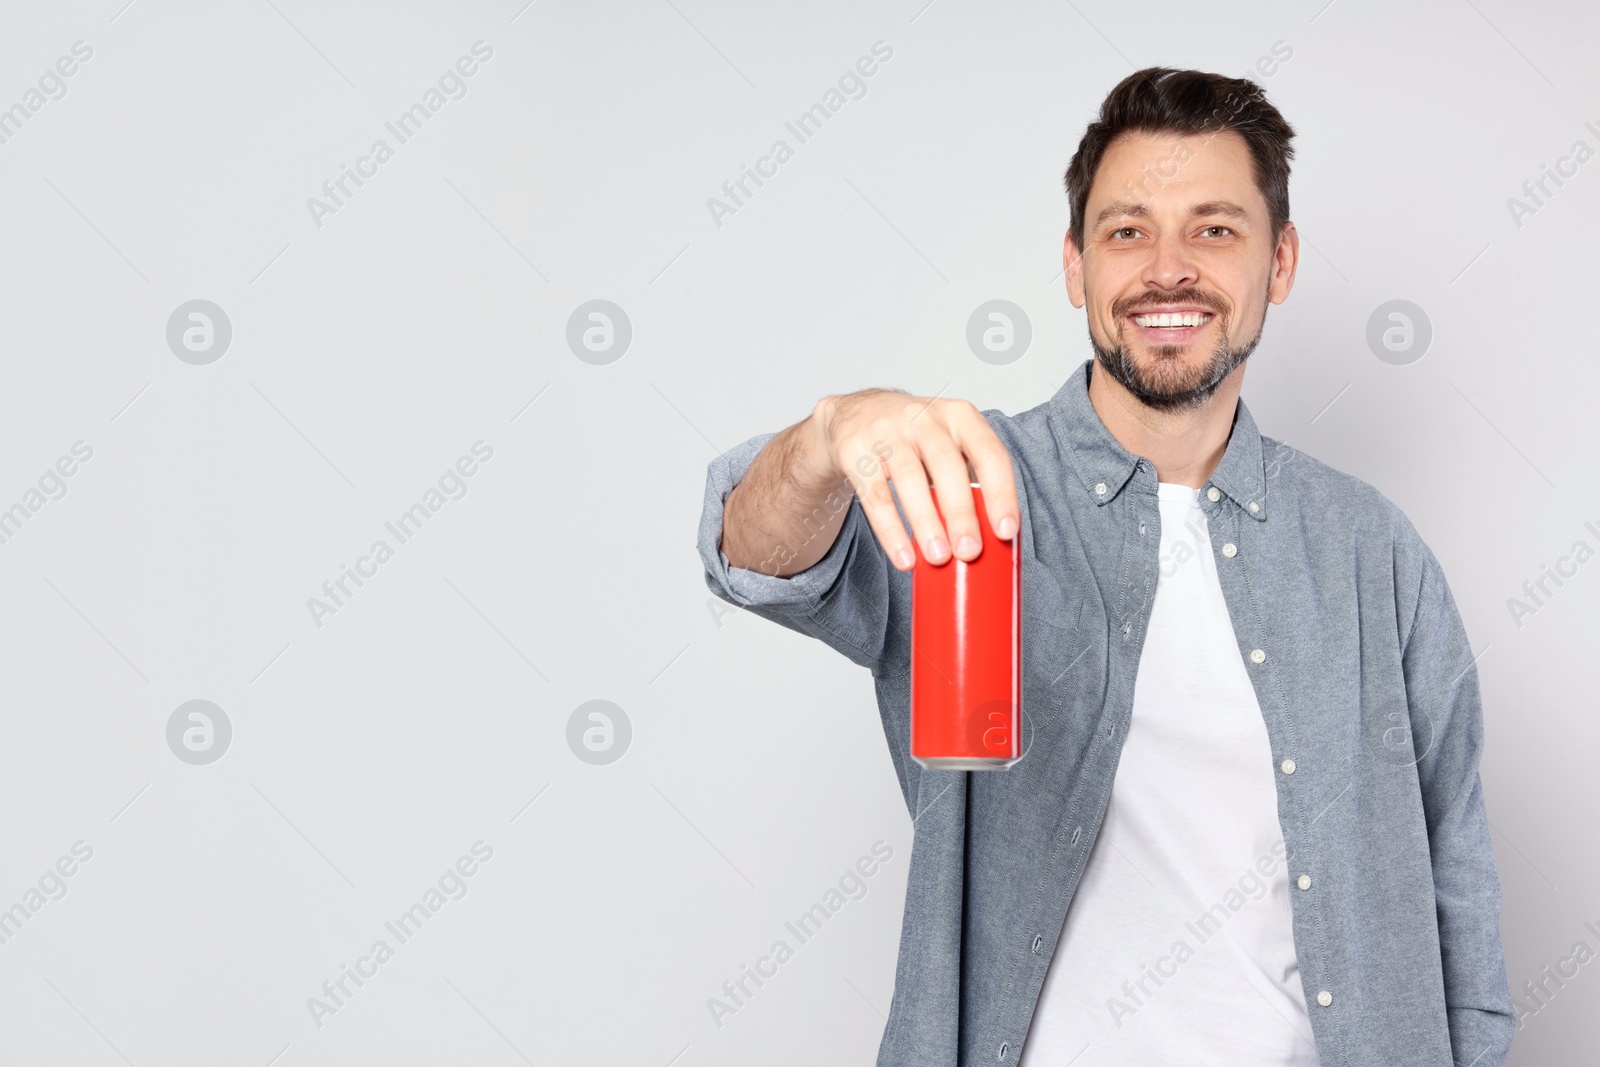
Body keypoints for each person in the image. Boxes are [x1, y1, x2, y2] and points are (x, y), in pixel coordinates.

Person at [695, 66, 1515, 1066]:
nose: (1168, 269)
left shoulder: (1369, 550)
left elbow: (1457, 901)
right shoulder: (961, 487)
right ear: (1077, 265)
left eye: (1214, 228)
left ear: (1280, 259)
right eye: (1128, 230)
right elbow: (756, 557)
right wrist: (830, 433)